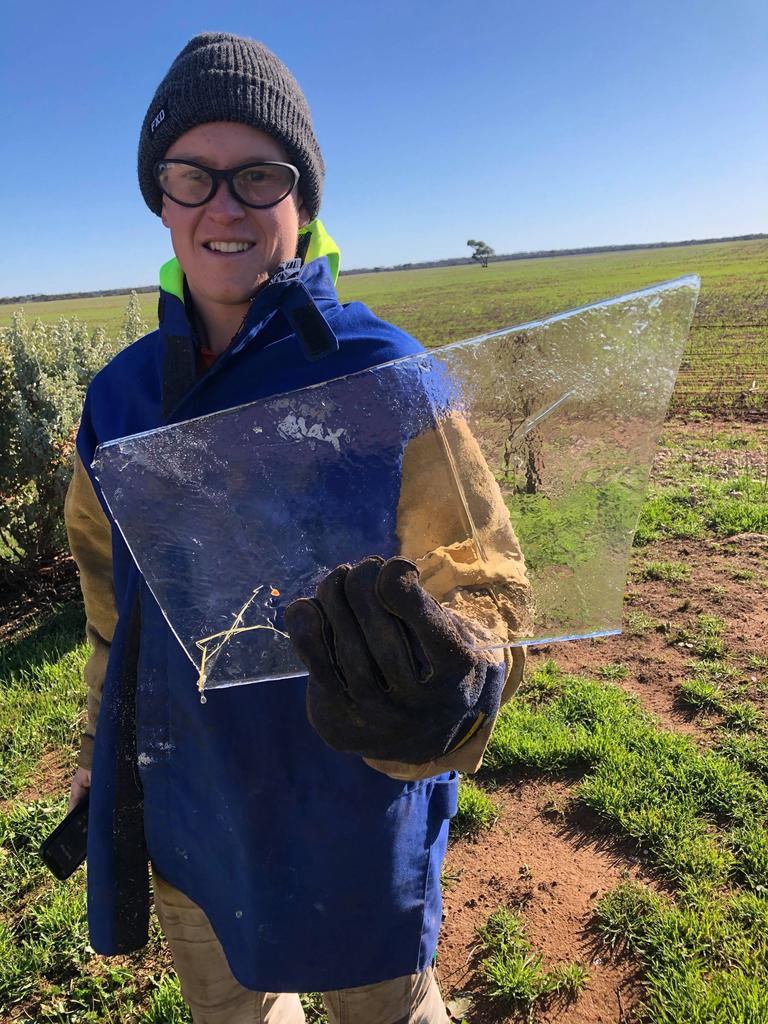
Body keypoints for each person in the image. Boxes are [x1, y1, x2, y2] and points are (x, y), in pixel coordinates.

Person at [65, 32, 530, 1024]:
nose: (224, 205)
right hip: (200, 822)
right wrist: (105, 754)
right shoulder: (119, 401)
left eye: (258, 176)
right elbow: (113, 615)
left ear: (303, 198)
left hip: (355, 815)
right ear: (160, 196)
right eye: (192, 175)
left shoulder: (385, 374)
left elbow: (481, 579)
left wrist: (451, 685)